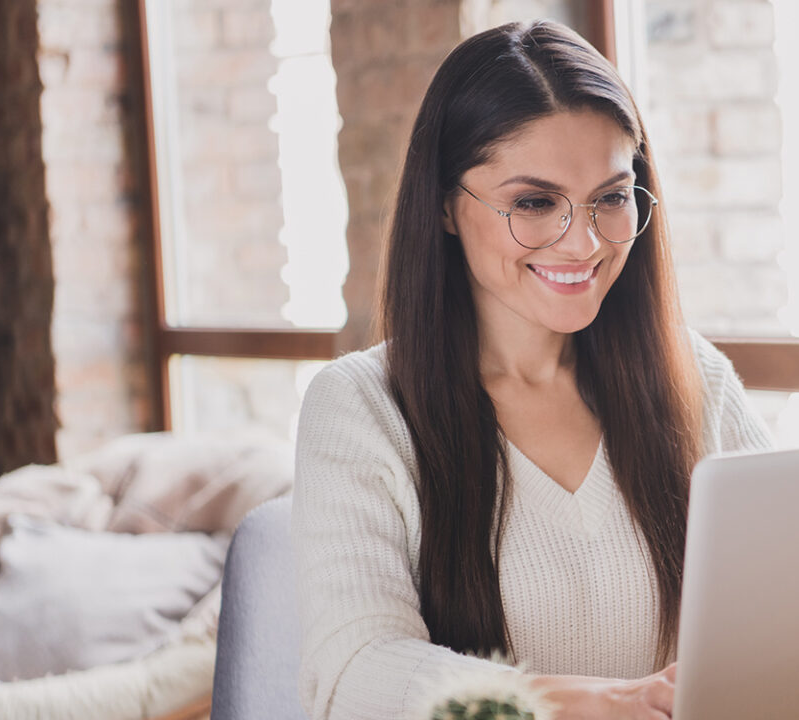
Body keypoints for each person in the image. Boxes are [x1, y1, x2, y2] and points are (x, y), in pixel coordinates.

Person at [290, 19, 773, 720]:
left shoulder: (692, 378)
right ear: (447, 207)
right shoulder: (360, 409)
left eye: (611, 196)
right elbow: (354, 676)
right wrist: (596, 704)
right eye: (534, 202)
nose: (583, 242)